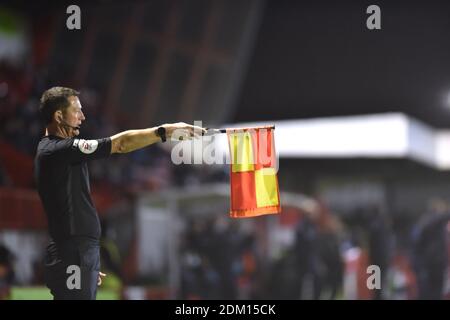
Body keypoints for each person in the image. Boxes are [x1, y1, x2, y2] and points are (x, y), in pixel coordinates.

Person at [34, 87, 205, 300]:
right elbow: (121, 143)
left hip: (78, 252)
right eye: (77, 110)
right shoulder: (59, 149)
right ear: (59, 115)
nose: (83, 116)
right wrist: (166, 131)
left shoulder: (60, 152)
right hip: (73, 251)